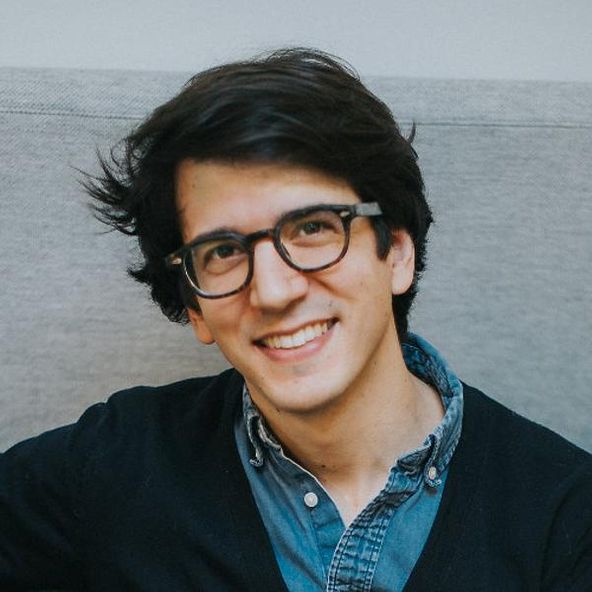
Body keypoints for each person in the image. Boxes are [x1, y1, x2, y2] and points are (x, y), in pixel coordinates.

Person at [1, 48, 590, 592]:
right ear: (195, 309)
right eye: (222, 251)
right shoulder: (114, 466)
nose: (274, 291)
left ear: (396, 252)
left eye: (312, 228)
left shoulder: (563, 514)